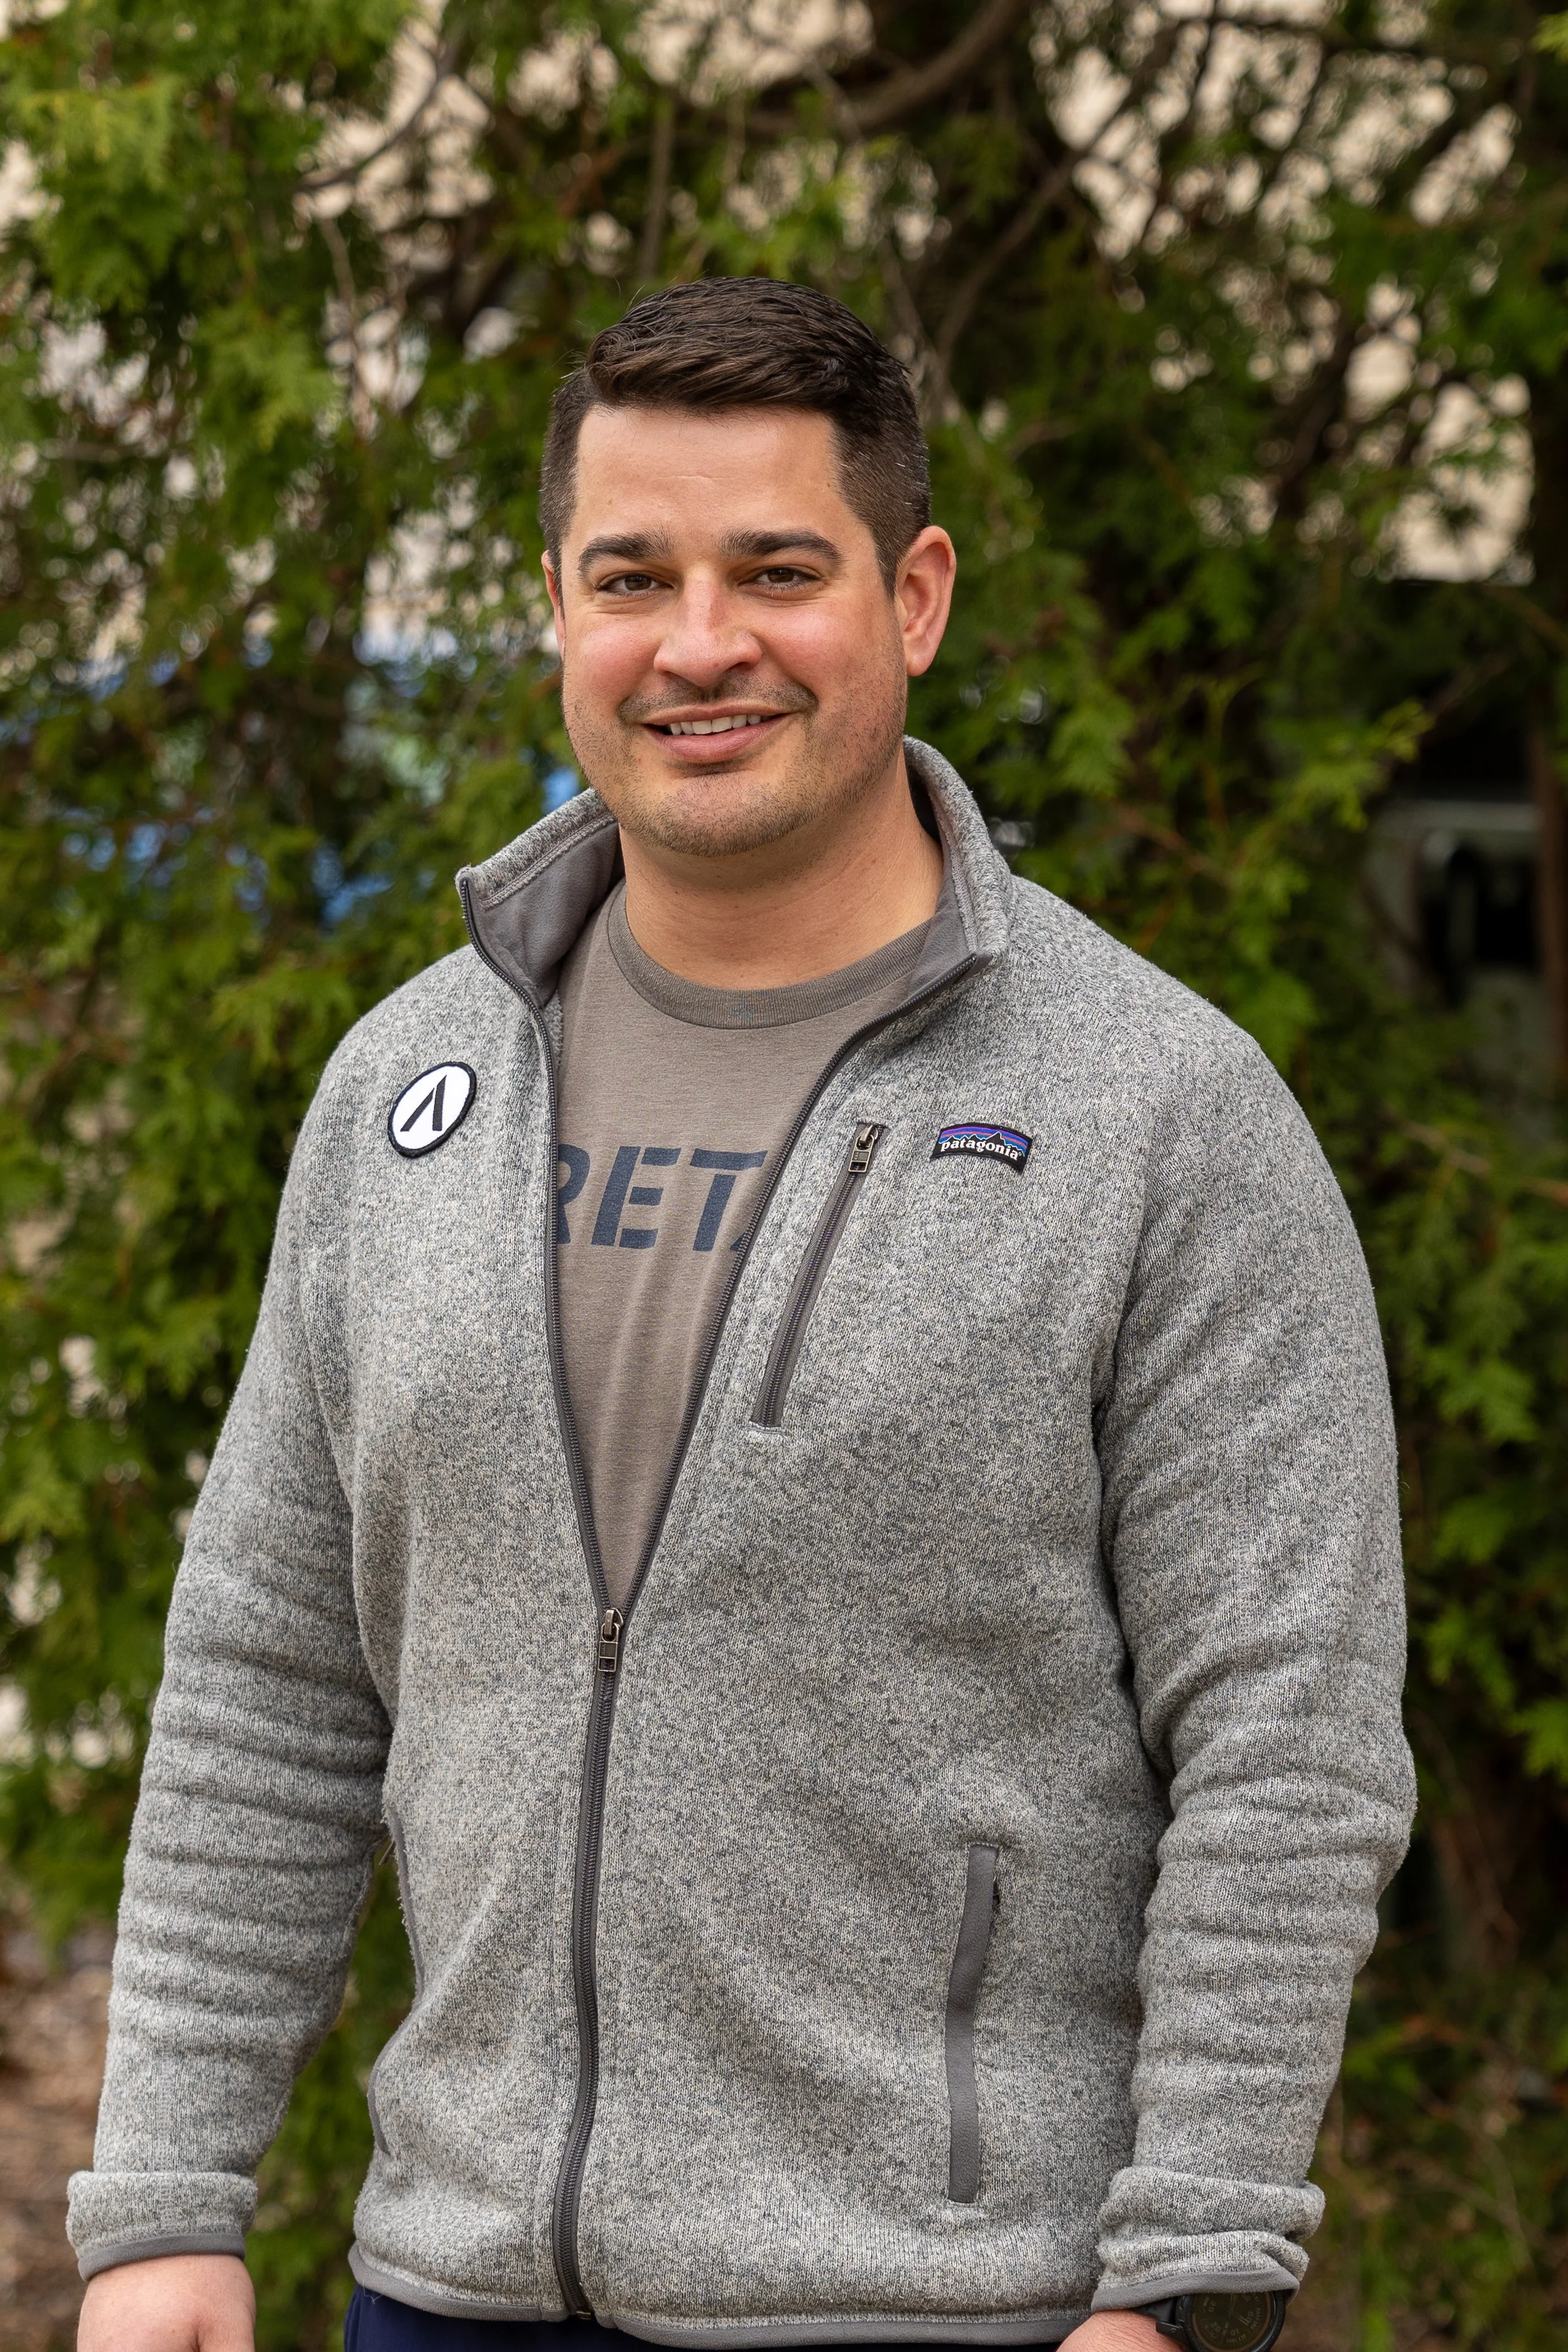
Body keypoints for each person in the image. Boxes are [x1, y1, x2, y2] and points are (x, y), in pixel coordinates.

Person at [71, 278, 1415, 2352]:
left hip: (964, 2304)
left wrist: (1191, 2280)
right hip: (451, 2289)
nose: (700, 643)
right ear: (557, 611)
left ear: (914, 597)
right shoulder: (409, 1090)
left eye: (778, 570)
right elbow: (269, 1676)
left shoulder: (1159, 1113)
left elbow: (1291, 1744)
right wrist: (166, 2196)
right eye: (634, 577)